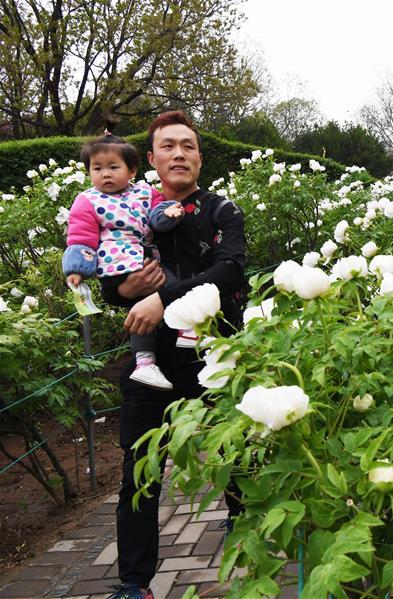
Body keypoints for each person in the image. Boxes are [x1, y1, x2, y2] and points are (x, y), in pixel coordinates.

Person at [99, 111, 247, 599]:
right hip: (151, 365)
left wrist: (163, 297)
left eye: (188, 145)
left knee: (236, 452)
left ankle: (244, 523)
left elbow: (230, 271)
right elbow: (112, 286)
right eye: (168, 146)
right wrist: (123, 289)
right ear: (153, 158)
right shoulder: (132, 211)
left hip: (216, 357)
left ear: (200, 158)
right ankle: (133, 582)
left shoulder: (222, 211)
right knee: (138, 474)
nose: (179, 153)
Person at [63, 132, 189, 391]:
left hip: (144, 260)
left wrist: (169, 212)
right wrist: (77, 270)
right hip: (115, 264)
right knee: (144, 306)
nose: (105, 174)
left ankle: (186, 330)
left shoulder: (145, 192)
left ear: (132, 171)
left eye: (113, 167)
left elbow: (156, 217)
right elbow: (81, 237)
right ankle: (144, 363)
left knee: (174, 287)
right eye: (97, 168)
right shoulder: (87, 200)